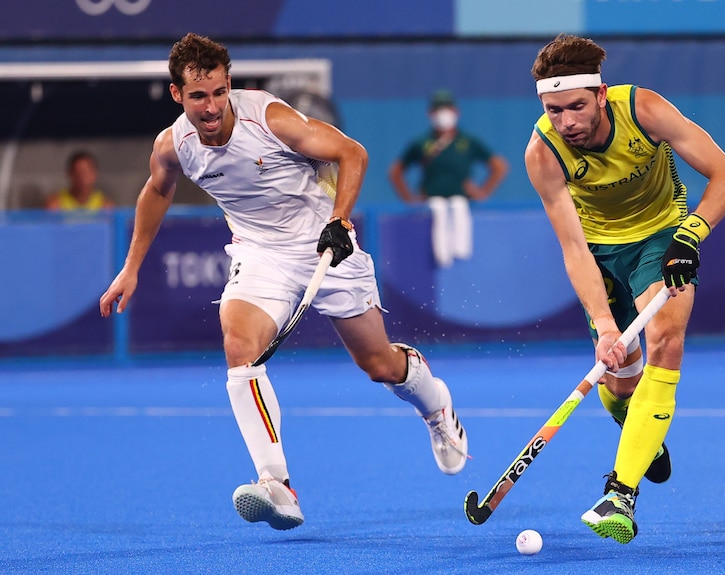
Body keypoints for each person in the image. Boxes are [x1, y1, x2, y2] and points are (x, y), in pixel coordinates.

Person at [98, 33, 468, 532]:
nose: (210, 107)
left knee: (379, 364)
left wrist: (339, 220)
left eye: (218, 93)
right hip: (259, 254)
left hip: (324, 242)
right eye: (197, 96)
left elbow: (351, 153)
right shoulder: (174, 146)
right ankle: (277, 484)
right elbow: (156, 192)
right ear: (176, 95)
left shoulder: (269, 119)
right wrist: (131, 267)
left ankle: (436, 404)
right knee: (238, 345)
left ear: (230, 86)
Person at [524, 35, 725, 544]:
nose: (567, 122)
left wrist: (691, 235)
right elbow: (573, 247)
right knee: (621, 380)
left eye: (576, 106)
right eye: (554, 110)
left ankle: (619, 494)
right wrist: (604, 325)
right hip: (598, 253)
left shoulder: (643, 109)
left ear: (600, 95)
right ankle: (642, 433)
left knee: (665, 342)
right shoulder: (543, 152)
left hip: (663, 235)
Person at [388, 89, 508, 268]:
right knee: (439, 210)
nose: (443, 115)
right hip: (431, 200)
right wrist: (409, 199)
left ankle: (460, 252)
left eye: (447, 109)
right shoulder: (422, 142)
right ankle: (441, 257)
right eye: (438, 110)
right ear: (430, 114)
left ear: (456, 112)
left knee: (458, 206)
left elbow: (499, 166)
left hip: (461, 199)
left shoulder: (467, 141)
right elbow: (396, 171)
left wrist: (482, 191)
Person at [45, 150, 114, 211]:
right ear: (70, 175)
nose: (82, 178)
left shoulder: (105, 206)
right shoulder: (55, 205)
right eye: (78, 173)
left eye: (86, 173)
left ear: (95, 174)